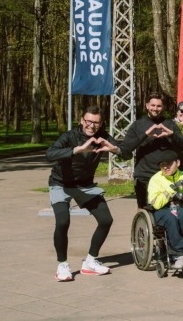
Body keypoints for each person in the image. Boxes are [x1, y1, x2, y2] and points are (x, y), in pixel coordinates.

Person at [46, 106, 119, 281]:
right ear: (82, 120)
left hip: (86, 186)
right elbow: (50, 154)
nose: (92, 126)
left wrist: (114, 149)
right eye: (88, 121)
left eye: (96, 122)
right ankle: (62, 265)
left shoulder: (102, 137)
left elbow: (125, 151)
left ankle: (90, 262)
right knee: (63, 221)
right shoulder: (69, 136)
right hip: (61, 184)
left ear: (101, 123)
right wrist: (76, 150)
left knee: (106, 220)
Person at [119, 92, 183, 208]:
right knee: (146, 209)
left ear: (163, 107)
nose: (155, 109)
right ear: (147, 105)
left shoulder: (170, 124)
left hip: (168, 176)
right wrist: (145, 134)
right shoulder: (138, 125)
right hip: (145, 176)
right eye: (153, 105)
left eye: (159, 106)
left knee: (170, 210)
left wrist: (172, 135)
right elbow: (126, 148)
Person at [147, 149, 183, 270]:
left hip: (182, 206)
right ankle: (180, 254)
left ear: (177, 163)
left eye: (169, 164)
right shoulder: (155, 179)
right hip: (162, 210)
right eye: (162, 164)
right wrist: (172, 190)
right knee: (170, 217)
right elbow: (155, 203)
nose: (165, 167)